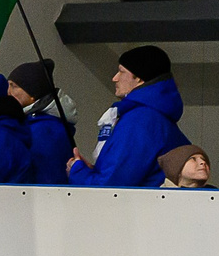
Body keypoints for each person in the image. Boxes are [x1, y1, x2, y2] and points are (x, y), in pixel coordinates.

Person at [68, 45, 187, 188]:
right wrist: (94, 171)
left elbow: (112, 187)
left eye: (121, 72)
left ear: (138, 78)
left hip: (142, 208)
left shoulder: (140, 120)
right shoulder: (155, 117)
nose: (114, 78)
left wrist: (78, 172)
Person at [8, 60, 75, 181]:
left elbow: (47, 178)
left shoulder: (45, 129)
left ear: (32, 93)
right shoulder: (35, 123)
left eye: (14, 86)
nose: (8, 92)